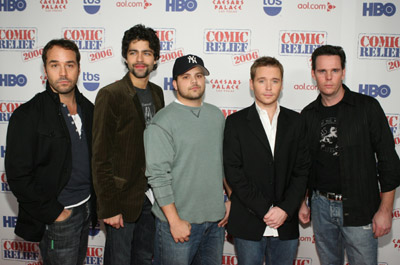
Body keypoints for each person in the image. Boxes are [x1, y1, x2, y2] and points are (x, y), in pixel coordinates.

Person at [299, 45, 400, 265]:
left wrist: (385, 210)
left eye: (334, 71)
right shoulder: (308, 115)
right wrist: (301, 202)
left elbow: (389, 162)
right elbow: (302, 165)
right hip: (321, 206)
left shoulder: (367, 108)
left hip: (360, 206)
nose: (328, 77)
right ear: (313, 74)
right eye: (322, 71)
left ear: (343, 72)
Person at [5, 39, 97, 265]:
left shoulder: (90, 109)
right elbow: (18, 176)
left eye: (70, 65)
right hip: (58, 216)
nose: (63, 72)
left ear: (79, 68)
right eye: (55, 65)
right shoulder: (27, 115)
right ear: (45, 69)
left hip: (86, 208)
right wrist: (56, 213)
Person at [144, 54, 231, 265]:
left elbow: (222, 164)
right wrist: (174, 221)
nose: (194, 81)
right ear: (174, 83)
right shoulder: (162, 122)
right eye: (186, 76)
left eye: (199, 75)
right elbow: (157, 176)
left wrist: (230, 199)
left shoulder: (216, 116)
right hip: (178, 224)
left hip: (215, 222)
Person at [223, 56, 310, 265]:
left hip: (286, 223)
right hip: (249, 221)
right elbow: (234, 172)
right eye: (262, 80)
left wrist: (285, 209)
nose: (269, 87)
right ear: (252, 84)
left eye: (275, 80)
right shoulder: (236, 123)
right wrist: (266, 210)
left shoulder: (296, 122)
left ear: (282, 84)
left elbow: (303, 170)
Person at [91, 24, 164, 265]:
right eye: (133, 52)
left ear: (155, 59)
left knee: (144, 258)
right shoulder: (111, 94)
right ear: (125, 57)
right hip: (121, 201)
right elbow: (100, 157)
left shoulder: (157, 93)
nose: (140, 59)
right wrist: (109, 207)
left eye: (146, 53)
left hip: (151, 200)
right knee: (119, 260)